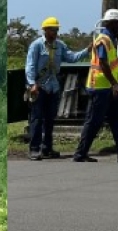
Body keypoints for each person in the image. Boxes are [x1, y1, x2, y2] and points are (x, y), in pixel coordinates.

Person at [25, 16, 89, 160]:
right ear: (46, 30)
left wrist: (86, 51)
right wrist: (32, 84)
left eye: (57, 29)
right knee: (36, 119)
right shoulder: (36, 45)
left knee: (50, 119)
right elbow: (30, 66)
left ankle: (47, 148)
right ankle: (34, 149)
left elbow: (71, 58)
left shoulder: (60, 45)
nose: (55, 32)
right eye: (53, 29)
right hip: (39, 87)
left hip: (53, 87)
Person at [72, 9, 118, 163]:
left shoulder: (110, 39)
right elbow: (103, 63)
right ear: (112, 23)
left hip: (109, 87)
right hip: (100, 87)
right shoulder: (103, 39)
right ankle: (80, 154)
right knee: (93, 121)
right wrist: (114, 84)